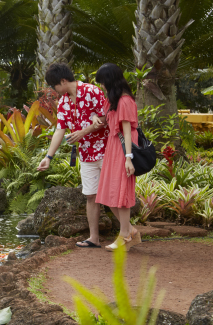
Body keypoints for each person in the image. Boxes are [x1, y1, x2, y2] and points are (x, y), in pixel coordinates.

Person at [37, 63, 110, 248]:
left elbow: (106, 118)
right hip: (85, 154)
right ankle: (94, 238)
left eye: (54, 86)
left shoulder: (92, 91)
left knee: (110, 193)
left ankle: (128, 232)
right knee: (90, 195)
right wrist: (48, 157)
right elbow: (59, 130)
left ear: (63, 81)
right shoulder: (64, 102)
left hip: (106, 150)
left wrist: (84, 132)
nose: (54, 91)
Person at [93, 63, 141, 251]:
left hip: (123, 148)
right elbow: (106, 119)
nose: (102, 85)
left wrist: (128, 158)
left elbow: (128, 132)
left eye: (103, 81)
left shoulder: (125, 101)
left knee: (120, 193)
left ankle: (125, 235)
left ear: (110, 80)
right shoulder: (113, 100)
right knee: (108, 193)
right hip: (114, 147)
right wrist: (96, 119)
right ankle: (130, 233)